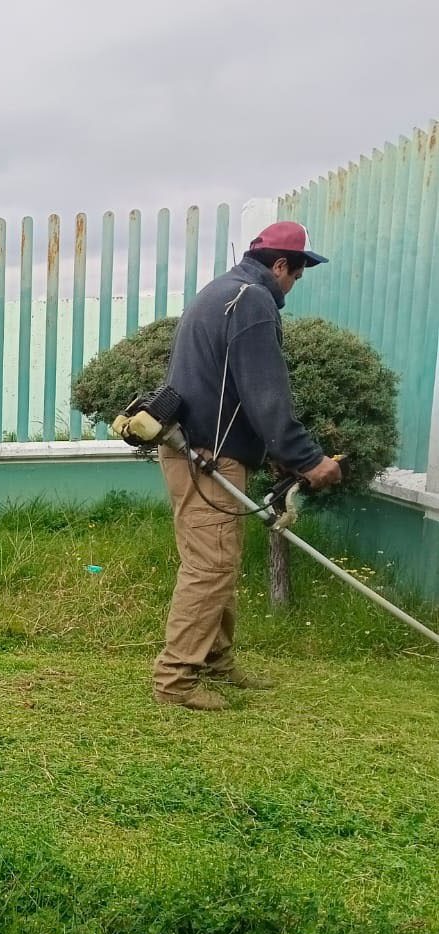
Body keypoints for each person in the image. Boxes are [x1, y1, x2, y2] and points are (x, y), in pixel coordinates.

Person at [153, 221, 342, 711]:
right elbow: (265, 392)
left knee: (218, 560)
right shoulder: (252, 301)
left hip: (191, 449)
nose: (292, 287)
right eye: (296, 275)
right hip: (209, 456)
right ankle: (176, 681)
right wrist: (307, 458)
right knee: (211, 565)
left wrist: (274, 455)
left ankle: (216, 662)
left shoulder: (219, 291)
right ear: (280, 265)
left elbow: (230, 387)